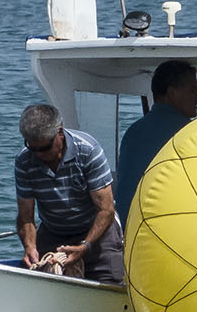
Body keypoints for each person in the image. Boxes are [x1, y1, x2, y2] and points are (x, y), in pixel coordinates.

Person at [13, 103, 124, 283]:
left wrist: (85, 246)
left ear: (60, 133)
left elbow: (106, 210)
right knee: (43, 284)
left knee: (109, 283)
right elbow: (26, 217)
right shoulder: (24, 161)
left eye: (45, 147)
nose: (39, 154)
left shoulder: (88, 151)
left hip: (97, 229)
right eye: (33, 148)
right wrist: (30, 247)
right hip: (53, 231)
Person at [114, 59, 197, 223]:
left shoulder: (133, 132)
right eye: (193, 90)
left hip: (128, 229)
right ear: (172, 93)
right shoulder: (190, 134)